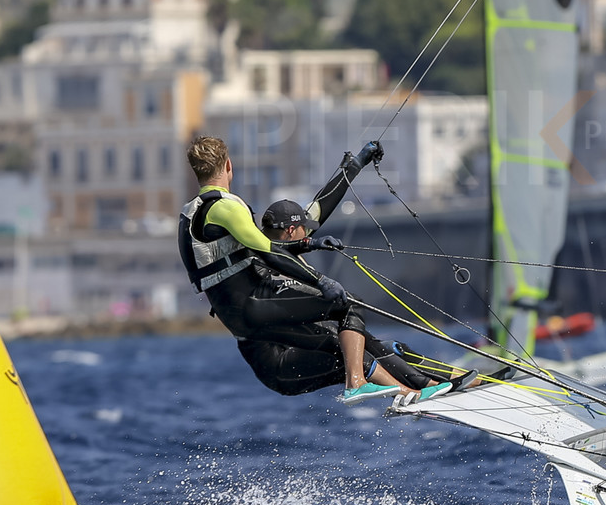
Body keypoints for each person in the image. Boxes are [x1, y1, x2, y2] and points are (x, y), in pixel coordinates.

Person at [178, 134, 457, 403]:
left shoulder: (191, 214)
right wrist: (319, 279)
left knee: (356, 344)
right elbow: (269, 250)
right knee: (348, 308)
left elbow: (311, 214)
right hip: (254, 314)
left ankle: (421, 390)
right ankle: (363, 385)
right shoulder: (225, 208)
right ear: (229, 166)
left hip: (238, 314)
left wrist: (353, 167)